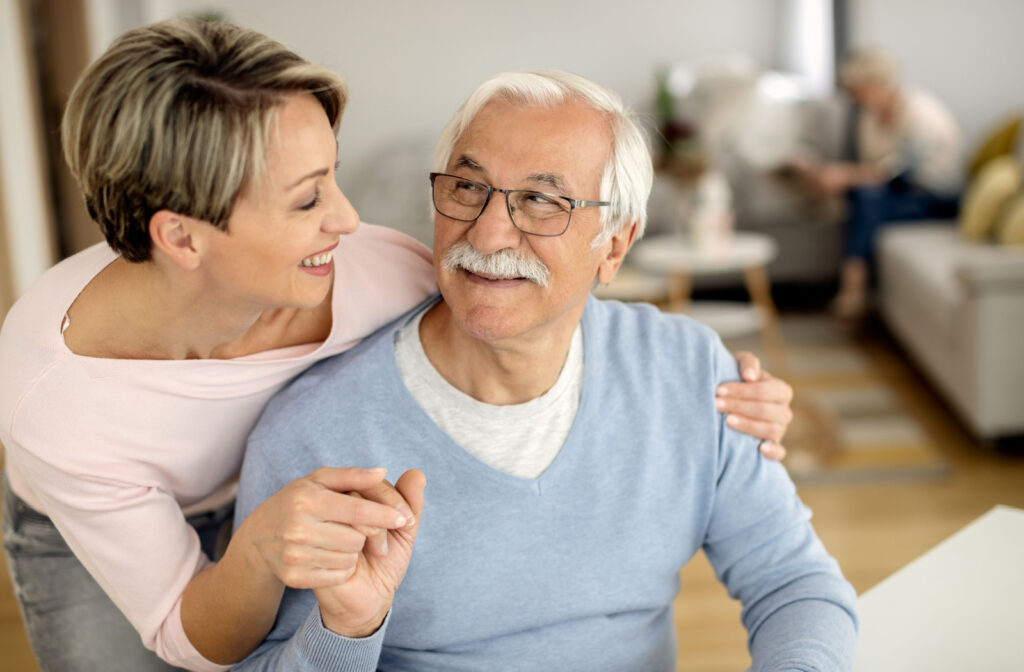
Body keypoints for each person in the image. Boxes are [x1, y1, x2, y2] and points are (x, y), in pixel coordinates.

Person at [0, 20, 793, 672]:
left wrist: (714, 389)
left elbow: (529, 296)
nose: (348, 220)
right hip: (116, 520)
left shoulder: (382, 272)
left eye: (333, 178)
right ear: (181, 237)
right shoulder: (57, 405)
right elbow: (187, 630)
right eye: (308, 198)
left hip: (287, 493)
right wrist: (258, 555)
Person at [233, 70, 858, 671]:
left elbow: (793, 582)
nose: (490, 232)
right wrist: (346, 632)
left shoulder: (690, 373)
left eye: (540, 200)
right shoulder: (311, 433)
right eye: (467, 187)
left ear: (614, 244)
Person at [790, 48, 962, 321]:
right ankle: (855, 288)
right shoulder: (867, 116)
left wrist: (844, 175)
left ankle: (853, 288)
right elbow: (872, 168)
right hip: (897, 194)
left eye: (859, 91)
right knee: (862, 195)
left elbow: (900, 173)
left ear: (879, 84)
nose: (854, 99)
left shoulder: (921, 115)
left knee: (867, 197)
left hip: (935, 198)